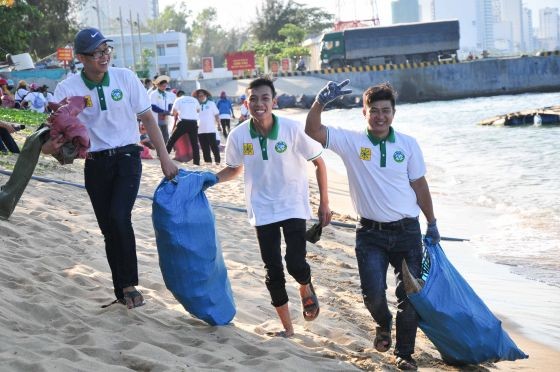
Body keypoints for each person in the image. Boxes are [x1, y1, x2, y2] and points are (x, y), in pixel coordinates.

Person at [305, 80, 439, 370]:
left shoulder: (408, 144)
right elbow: (312, 131)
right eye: (374, 110)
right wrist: (320, 103)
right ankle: (383, 322)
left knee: (410, 296)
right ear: (363, 112)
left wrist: (432, 222)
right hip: (370, 235)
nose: (380, 116)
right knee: (373, 295)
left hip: (407, 231)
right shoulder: (351, 141)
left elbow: (419, 185)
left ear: (394, 113)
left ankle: (405, 354)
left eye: (386, 111)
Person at [41, 27, 178, 309]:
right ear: (81, 57)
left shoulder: (125, 78)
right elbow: (52, 134)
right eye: (97, 53)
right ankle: (121, 290)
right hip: (95, 163)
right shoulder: (68, 88)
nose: (104, 57)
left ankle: (129, 285)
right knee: (108, 228)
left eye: (107, 50)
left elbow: (149, 120)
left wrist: (165, 157)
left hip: (128, 156)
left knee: (119, 216)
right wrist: (51, 148)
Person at [212, 77, 332, 337]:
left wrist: (324, 203)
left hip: (293, 205)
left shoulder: (292, 129)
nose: (259, 103)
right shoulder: (239, 134)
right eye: (253, 99)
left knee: (295, 263)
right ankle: (288, 328)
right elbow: (233, 169)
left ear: (274, 102)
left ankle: (304, 285)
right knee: (272, 269)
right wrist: (208, 181)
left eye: (265, 98)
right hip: (262, 210)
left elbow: (319, 163)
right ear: (246, 103)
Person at [166, 90, 201, 165]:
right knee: (194, 143)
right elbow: (198, 110)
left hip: (183, 123)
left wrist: (174, 113)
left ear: (178, 95)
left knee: (172, 139)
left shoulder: (178, 99)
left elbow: (173, 112)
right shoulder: (194, 100)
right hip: (193, 123)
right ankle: (197, 162)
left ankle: (164, 156)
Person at [194, 88, 220, 164]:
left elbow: (216, 114)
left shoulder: (211, 103)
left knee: (214, 146)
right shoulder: (197, 105)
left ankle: (217, 161)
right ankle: (208, 161)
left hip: (210, 129)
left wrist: (219, 124)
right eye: (199, 96)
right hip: (200, 130)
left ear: (205, 95)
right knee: (204, 147)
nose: (201, 97)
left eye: (202, 95)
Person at [149, 75, 172, 143]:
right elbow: (153, 106)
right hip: (157, 116)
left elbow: (169, 104)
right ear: (158, 85)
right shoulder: (153, 94)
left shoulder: (166, 94)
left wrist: (169, 111)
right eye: (163, 86)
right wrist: (163, 112)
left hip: (165, 117)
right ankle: (160, 150)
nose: (164, 88)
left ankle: (166, 150)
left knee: (166, 134)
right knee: (159, 135)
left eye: (165, 86)